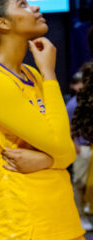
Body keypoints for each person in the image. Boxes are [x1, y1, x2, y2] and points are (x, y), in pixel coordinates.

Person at [0, 0, 83, 239]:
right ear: (2, 23)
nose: (36, 8)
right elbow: (61, 147)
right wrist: (50, 73)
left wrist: (46, 160)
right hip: (21, 225)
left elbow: (67, 151)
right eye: (23, 5)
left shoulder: (32, 73)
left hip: (62, 219)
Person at [72, 61, 93, 219]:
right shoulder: (73, 104)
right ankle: (80, 215)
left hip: (89, 146)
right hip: (82, 147)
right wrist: (74, 144)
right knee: (80, 182)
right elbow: (65, 125)